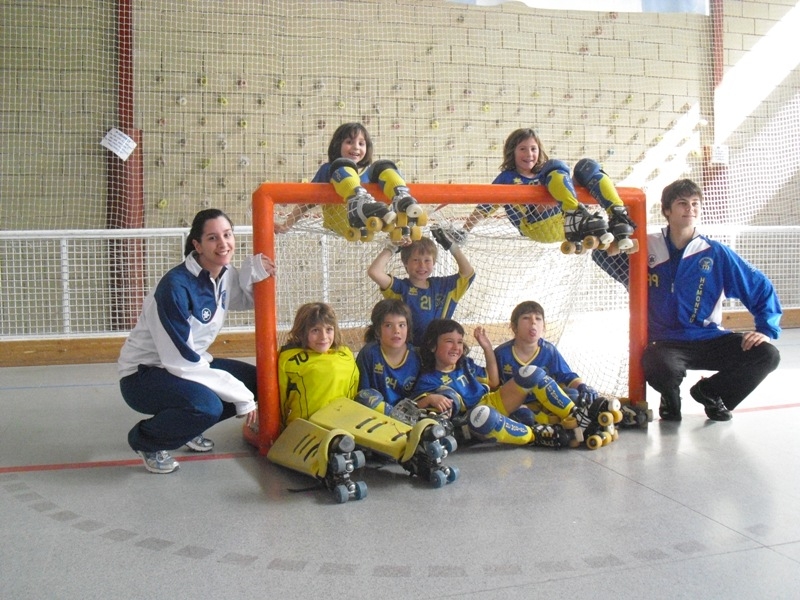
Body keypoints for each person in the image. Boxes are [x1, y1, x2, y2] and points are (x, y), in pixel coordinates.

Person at [119, 209, 276, 474]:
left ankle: (185, 429)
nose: (223, 244)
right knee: (207, 406)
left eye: (227, 235)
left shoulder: (223, 273)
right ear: (197, 245)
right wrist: (241, 397)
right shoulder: (174, 288)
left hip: (188, 365)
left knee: (260, 381)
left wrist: (252, 270)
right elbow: (180, 362)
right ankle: (147, 441)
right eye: (213, 238)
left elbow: (244, 299)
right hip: (144, 375)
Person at [641, 178, 782, 421]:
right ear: (666, 210)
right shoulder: (646, 246)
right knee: (655, 362)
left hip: (709, 338)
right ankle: (669, 394)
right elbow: (605, 258)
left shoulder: (715, 252)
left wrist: (765, 329)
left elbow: (760, 286)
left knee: (767, 355)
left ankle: (711, 392)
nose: (690, 209)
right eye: (682, 203)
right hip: (665, 342)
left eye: (695, 203)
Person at [460, 127, 637, 283]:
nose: (529, 154)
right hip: (537, 225)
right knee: (555, 166)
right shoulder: (507, 178)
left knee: (586, 167)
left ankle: (618, 217)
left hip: (564, 223)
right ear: (511, 152)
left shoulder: (546, 176)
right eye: (522, 149)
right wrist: (464, 230)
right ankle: (574, 213)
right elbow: (483, 207)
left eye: (533, 149)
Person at [410, 318, 572, 448]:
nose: (456, 347)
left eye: (459, 342)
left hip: (492, 401)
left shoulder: (465, 365)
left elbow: (493, 382)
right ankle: (535, 435)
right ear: (432, 346)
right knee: (487, 417)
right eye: (449, 341)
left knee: (531, 373)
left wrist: (487, 347)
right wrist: (431, 399)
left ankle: (575, 416)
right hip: (471, 420)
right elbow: (414, 407)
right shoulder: (428, 379)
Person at [275, 122, 424, 242]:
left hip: (371, 224)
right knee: (342, 166)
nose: (356, 147)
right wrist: (287, 225)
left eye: (361, 143)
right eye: (349, 142)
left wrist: (401, 234)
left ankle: (402, 197)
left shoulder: (372, 174)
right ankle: (357, 199)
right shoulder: (329, 169)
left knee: (384, 167)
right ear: (337, 145)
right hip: (342, 224)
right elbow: (306, 203)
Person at [367, 236, 475, 347]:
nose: (422, 265)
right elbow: (374, 272)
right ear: (405, 263)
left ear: (433, 262)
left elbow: (468, 274)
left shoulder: (443, 286)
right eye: (415, 260)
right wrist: (392, 247)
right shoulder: (400, 288)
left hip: (437, 354)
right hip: (409, 353)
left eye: (427, 260)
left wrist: (452, 247)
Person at [278, 302, 359, 426]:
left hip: (342, 425)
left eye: (329, 329)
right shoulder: (288, 358)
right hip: (305, 428)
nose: (324, 337)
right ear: (301, 332)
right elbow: (279, 399)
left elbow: (353, 390)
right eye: (315, 330)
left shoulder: (346, 354)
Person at [355, 299, 421, 415]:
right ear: (377, 330)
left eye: (401, 325)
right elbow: (362, 395)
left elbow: (420, 397)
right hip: (375, 418)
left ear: (408, 328)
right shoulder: (369, 354)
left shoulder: (418, 356)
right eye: (388, 325)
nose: (396, 331)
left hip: (408, 419)